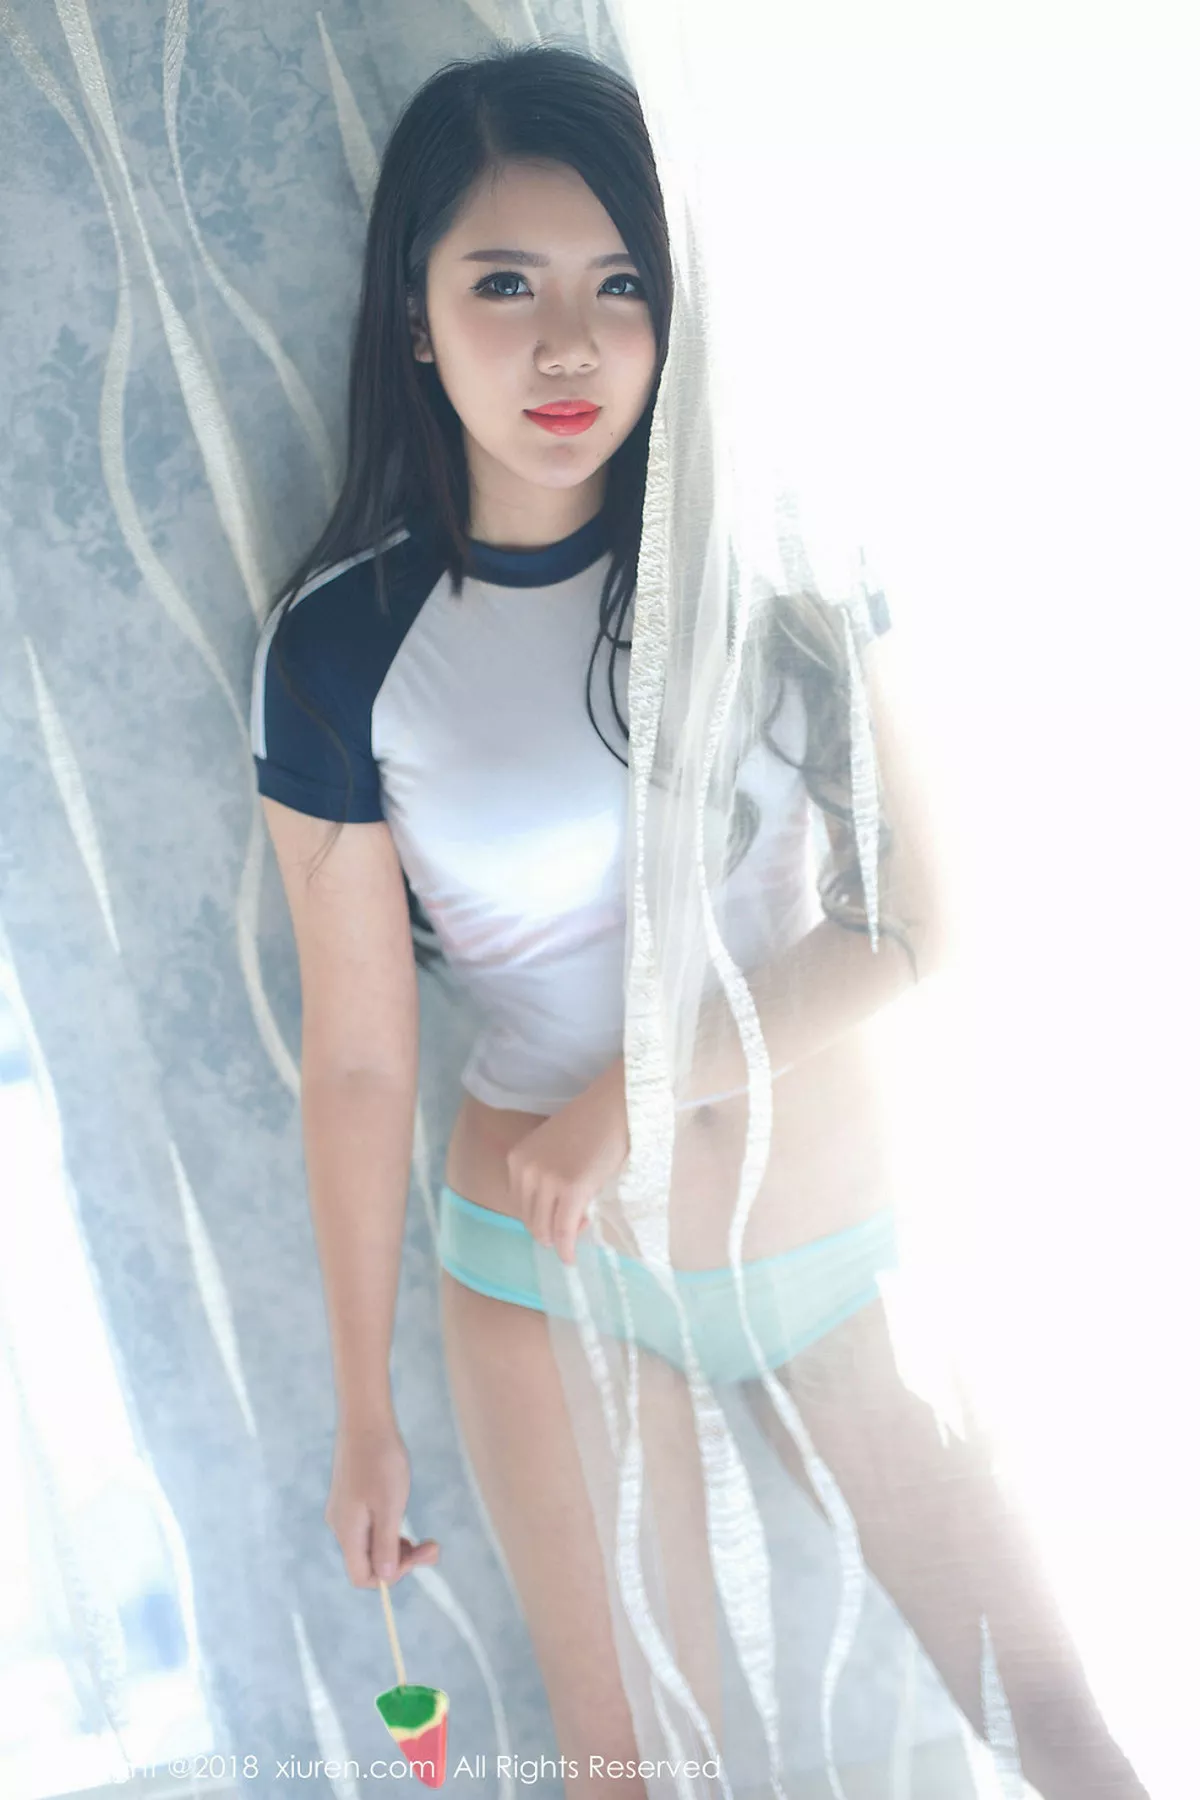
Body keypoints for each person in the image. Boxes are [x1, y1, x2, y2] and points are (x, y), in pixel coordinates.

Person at [250, 41, 1149, 1800]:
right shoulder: (343, 645)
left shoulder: (784, 550)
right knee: (631, 1774)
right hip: (554, 1285)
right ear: (416, 320)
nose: (568, 346)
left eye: (619, 288)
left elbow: (918, 918)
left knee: (1059, 1720)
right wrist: (365, 1412)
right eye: (504, 285)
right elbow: (357, 1060)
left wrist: (635, 1098)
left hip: (840, 1251)